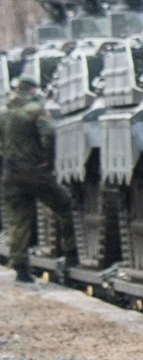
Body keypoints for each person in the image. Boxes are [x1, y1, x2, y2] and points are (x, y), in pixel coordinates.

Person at [1, 76, 77, 283]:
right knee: (64, 204)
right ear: (33, 91)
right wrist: (48, 160)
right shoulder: (35, 110)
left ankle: (20, 267)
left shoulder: (3, 112)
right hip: (35, 172)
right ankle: (70, 252)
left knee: (18, 220)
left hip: (10, 173)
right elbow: (50, 133)